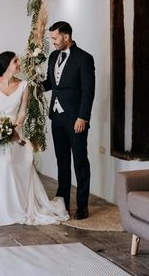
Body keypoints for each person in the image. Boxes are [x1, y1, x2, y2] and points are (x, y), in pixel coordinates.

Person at [0, 51, 69, 226]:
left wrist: (13, 130)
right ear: (6, 64)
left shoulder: (24, 85)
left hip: (16, 133)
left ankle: (15, 208)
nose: (19, 64)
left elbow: (23, 112)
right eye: (15, 61)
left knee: (10, 161)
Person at [43, 21, 95, 220]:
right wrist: (30, 85)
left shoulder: (84, 59)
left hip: (76, 119)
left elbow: (88, 92)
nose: (52, 42)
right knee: (62, 160)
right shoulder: (53, 56)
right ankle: (62, 201)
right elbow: (51, 83)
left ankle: (82, 206)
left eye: (54, 38)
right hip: (56, 116)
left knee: (80, 161)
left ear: (66, 36)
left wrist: (83, 117)